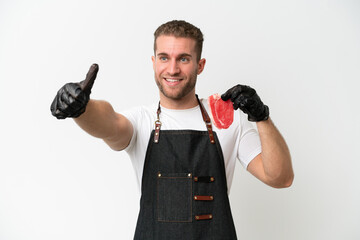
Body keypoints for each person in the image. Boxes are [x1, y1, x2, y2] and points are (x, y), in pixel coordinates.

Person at [50, 20, 294, 240]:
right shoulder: (141, 121)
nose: (173, 69)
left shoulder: (225, 119)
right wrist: (82, 109)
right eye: (164, 58)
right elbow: (109, 123)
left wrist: (261, 117)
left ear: (200, 65)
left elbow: (280, 178)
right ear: (154, 61)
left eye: (184, 59)